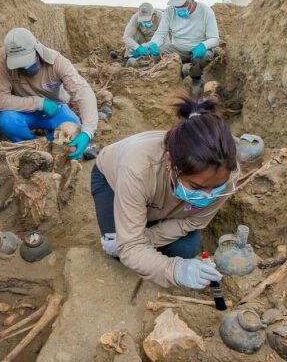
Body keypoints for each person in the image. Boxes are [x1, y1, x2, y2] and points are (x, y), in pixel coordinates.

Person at [91, 95, 239, 289]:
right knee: (120, 251)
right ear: (171, 163)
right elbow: (130, 248)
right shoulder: (137, 170)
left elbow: (194, 221)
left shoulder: (227, 174)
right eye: (196, 187)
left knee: (186, 249)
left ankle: (146, 225)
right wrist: (173, 270)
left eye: (216, 188)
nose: (208, 196)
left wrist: (146, 238)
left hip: (158, 198)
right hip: (112, 182)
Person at [0, 27, 97, 160]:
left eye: (27, 63)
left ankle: (50, 143)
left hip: (55, 111)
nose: (24, 68)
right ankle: (32, 147)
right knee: (7, 121)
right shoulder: (3, 58)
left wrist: (87, 131)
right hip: (22, 111)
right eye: (19, 65)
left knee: (72, 131)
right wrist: (39, 103)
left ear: (37, 50)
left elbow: (83, 91)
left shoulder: (57, 62)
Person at [147, 0, 220, 96]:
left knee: (203, 57)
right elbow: (160, 34)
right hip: (177, 49)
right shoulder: (169, 12)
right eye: (177, 6)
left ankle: (196, 82)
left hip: (197, 49)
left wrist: (203, 45)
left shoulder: (206, 11)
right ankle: (170, 79)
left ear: (192, 0)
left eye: (183, 5)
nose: (179, 9)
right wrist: (153, 43)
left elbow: (215, 39)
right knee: (157, 54)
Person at [122, 2, 163, 67]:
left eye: (147, 20)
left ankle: (154, 62)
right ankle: (128, 58)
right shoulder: (136, 18)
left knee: (160, 51)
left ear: (153, 15)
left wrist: (145, 46)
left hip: (156, 43)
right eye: (143, 21)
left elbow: (165, 38)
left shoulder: (161, 17)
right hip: (142, 40)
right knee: (133, 33)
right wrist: (137, 47)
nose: (145, 22)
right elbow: (126, 37)